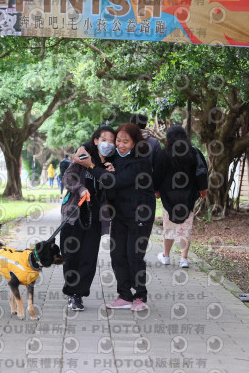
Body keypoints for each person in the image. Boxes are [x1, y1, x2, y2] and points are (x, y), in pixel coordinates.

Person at [75, 123, 156, 312]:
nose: (120, 145)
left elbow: (114, 181)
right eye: (118, 140)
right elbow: (95, 146)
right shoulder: (116, 158)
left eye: (125, 142)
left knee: (134, 255)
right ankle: (124, 295)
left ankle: (140, 296)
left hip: (140, 213)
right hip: (120, 214)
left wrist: (92, 166)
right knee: (117, 254)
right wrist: (82, 149)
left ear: (135, 143)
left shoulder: (140, 161)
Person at [60, 126, 116, 311]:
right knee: (71, 256)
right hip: (74, 214)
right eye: (104, 139)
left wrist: (111, 174)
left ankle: (78, 294)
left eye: (111, 141)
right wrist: (81, 189)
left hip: (96, 217)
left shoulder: (111, 164)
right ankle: (71, 291)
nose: (108, 144)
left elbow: (113, 190)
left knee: (88, 257)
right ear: (96, 141)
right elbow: (67, 178)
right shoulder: (83, 157)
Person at [153, 125, 208, 268]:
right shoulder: (193, 152)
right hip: (188, 195)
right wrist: (202, 189)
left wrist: (156, 190)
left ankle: (166, 256)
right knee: (186, 227)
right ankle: (184, 259)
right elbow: (201, 172)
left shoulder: (163, 154)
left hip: (168, 196)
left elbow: (157, 174)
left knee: (168, 226)